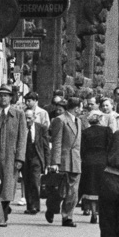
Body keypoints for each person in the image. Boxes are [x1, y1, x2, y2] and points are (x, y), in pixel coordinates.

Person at [0, 86, 27, 226]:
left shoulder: (18, 114)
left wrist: (20, 158)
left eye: (6, 95)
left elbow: (22, 138)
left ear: (11, 98)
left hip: (10, 156)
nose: (3, 98)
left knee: (8, 185)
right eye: (0, 95)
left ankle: (4, 213)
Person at [48, 95, 83, 226]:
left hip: (76, 160)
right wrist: (55, 162)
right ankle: (51, 208)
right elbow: (56, 142)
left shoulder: (78, 121)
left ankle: (67, 217)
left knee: (73, 191)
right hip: (63, 159)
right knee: (60, 191)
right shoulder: (60, 120)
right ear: (76, 108)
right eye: (81, 107)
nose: (82, 110)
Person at [80, 109, 112, 224]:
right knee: (103, 188)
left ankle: (93, 212)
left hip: (89, 161)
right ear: (100, 119)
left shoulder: (85, 132)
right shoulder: (107, 131)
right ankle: (101, 212)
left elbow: (82, 149)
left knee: (91, 188)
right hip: (103, 161)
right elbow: (110, 146)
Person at [22, 105, 49, 214]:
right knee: (27, 181)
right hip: (24, 157)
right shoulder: (21, 127)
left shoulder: (41, 128)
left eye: (29, 118)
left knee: (34, 180)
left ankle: (35, 206)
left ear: (34, 118)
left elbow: (46, 146)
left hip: (36, 157)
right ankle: (29, 206)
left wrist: (47, 162)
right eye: (25, 118)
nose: (27, 120)